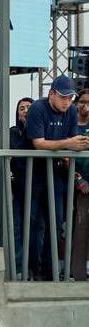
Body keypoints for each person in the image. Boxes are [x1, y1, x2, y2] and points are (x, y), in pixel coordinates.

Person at [24, 75, 89, 280]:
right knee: (32, 222)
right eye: (63, 97)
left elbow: (70, 144)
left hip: (58, 173)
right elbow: (39, 143)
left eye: (70, 98)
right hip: (34, 173)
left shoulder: (70, 111)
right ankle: (32, 269)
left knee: (56, 221)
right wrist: (68, 144)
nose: (67, 102)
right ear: (51, 93)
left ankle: (50, 271)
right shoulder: (38, 108)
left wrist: (74, 147)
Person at [10, 97, 33, 267]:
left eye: (29, 107)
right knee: (17, 227)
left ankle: (34, 266)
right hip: (19, 185)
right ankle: (18, 266)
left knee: (37, 226)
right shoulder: (12, 132)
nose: (25, 111)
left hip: (39, 184)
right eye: (21, 108)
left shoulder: (43, 130)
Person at [71, 91, 89, 280]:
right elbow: (66, 155)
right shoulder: (71, 126)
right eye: (82, 102)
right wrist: (78, 179)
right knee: (80, 231)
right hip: (79, 186)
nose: (85, 106)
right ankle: (78, 274)